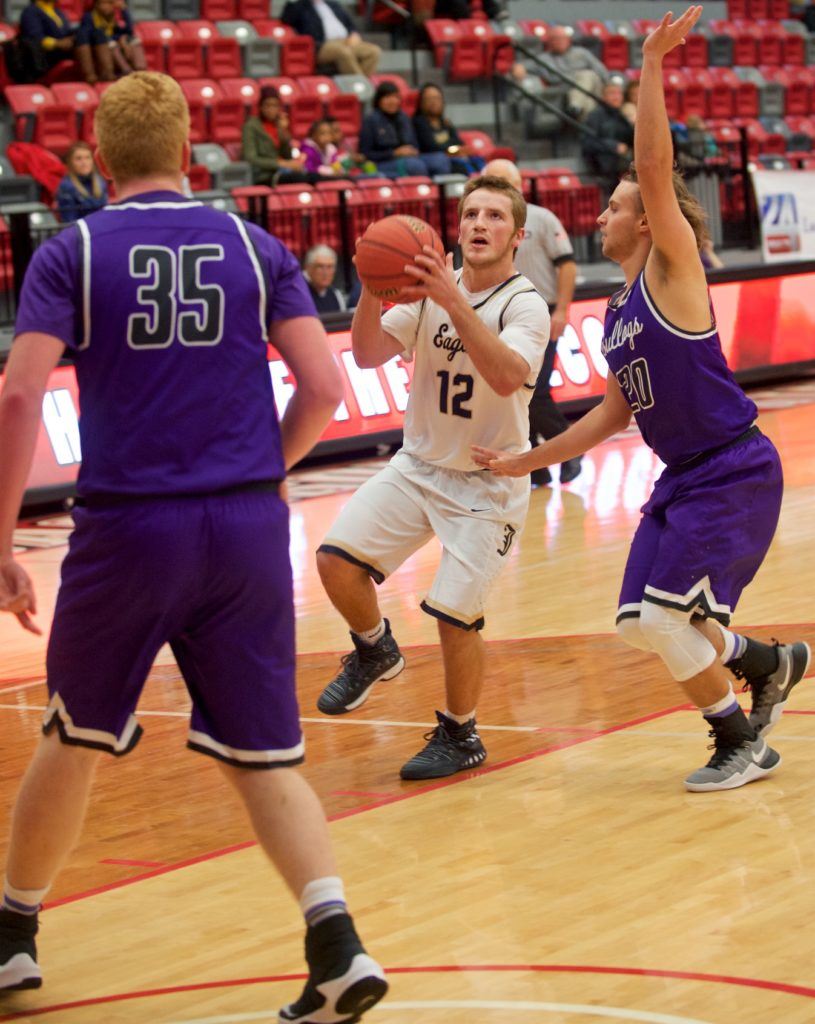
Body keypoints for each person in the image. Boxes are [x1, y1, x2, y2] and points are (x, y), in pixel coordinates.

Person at [0, 71, 387, 1022]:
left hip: (132, 527)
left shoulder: (75, 249)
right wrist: (264, 467)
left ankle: (12, 938)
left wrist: (2, 538)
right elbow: (324, 387)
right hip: (248, 530)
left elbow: (17, 396)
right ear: (187, 150)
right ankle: (336, 942)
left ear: (101, 149)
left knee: (76, 731)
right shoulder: (256, 248)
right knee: (265, 755)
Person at [473, 8, 811, 794]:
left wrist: (651, 65)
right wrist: (527, 457)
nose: (602, 215)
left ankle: (739, 742)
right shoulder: (621, 312)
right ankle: (767, 663)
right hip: (682, 479)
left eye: (614, 206)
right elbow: (609, 417)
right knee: (635, 624)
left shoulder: (671, 269)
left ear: (648, 221)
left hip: (731, 468)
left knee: (665, 620)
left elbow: (655, 169)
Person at [315, 175, 549, 780]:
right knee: (335, 561)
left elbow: (504, 376)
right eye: (470, 214)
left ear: (517, 235)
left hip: (487, 481)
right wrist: (374, 285)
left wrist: (450, 300)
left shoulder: (525, 304)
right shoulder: (423, 295)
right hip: (418, 467)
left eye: (494, 217)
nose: (478, 224)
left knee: (452, 613)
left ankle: (461, 733)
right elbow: (365, 355)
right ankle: (373, 649)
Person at [484, 159, 580, 486]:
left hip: (542, 312)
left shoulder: (541, 218)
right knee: (512, 397)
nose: (495, 188)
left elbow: (566, 265)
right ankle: (534, 466)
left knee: (536, 392)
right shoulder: (483, 225)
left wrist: (562, 311)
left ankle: (569, 448)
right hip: (502, 317)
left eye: (501, 181)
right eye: (490, 182)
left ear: (518, 184)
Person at [281, 0, 381, 76]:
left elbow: (350, 25)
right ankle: (360, 83)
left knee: (373, 51)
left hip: (346, 41)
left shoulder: (333, 4)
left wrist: (354, 34)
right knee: (343, 52)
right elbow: (286, 18)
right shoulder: (301, 7)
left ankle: (359, 84)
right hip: (321, 46)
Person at [241, 86, 316, 186]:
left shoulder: (278, 125)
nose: (271, 109)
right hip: (265, 175)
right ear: (260, 107)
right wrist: (281, 163)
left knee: (314, 176)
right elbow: (251, 158)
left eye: (275, 106)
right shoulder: (251, 126)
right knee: (300, 178)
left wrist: (283, 131)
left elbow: (287, 155)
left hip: (285, 171)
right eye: (267, 105)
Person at [413, 83, 486, 177]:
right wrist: (453, 150)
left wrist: (458, 150)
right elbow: (431, 146)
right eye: (429, 99)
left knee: (478, 160)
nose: (434, 102)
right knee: (460, 167)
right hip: (436, 161)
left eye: (437, 98)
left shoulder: (446, 122)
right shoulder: (418, 122)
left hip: (452, 157)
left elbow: (457, 141)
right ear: (421, 103)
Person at [358, 81, 430, 178]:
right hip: (381, 163)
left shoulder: (404, 118)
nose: (392, 101)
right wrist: (394, 153)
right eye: (387, 97)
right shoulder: (370, 121)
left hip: (409, 159)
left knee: (438, 162)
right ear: (378, 100)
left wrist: (413, 151)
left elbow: (415, 144)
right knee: (415, 166)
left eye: (396, 97)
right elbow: (365, 154)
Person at [581, 80, 635, 196]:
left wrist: (634, 123)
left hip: (622, 163)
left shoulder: (623, 114)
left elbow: (631, 140)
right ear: (604, 97)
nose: (616, 97)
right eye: (612, 93)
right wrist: (613, 145)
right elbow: (587, 143)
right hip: (603, 165)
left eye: (619, 93)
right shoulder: (595, 115)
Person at [74, 0, 144, 84]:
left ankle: (140, 70)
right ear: (96, 5)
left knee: (133, 40)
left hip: (113, 44)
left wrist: (124, 9)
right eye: (103, 3)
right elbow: (92, 36)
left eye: (109, 3)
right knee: (112, 44)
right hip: (99, 48)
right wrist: (115, 39)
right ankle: (127, 72)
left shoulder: (114, 16)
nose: (106, 7)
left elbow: (129, 30)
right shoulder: (89, 17)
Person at [18, 0, 75, 80]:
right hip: (45, 55)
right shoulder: (30, 11)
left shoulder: (57, 11)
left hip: (64, 50)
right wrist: (57, 43)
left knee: (88, 36)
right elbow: (35, 38)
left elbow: (66, 32)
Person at [55, 141, 108, 222]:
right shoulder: (66, 187)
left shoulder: (100, 181)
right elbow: (69, 222)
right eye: (78, 159)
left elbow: (105, 215)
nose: (84, 163)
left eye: (87, 157)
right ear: (70, 162)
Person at [303, 244, 347, 313]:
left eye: (330, 267)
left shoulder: (336, 295)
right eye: (320, 266)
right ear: (308, 268)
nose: (325, 272)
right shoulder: (298, 293)